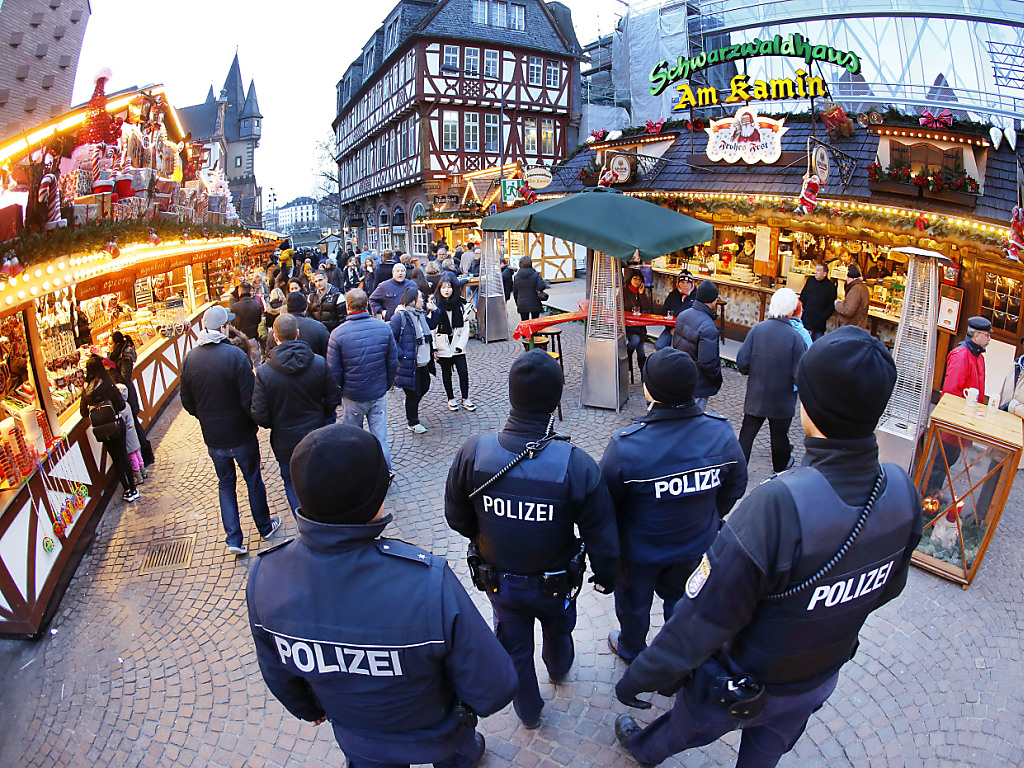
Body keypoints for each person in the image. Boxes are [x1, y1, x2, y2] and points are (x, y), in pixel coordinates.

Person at [613, 326, 923, 768]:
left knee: (684, 728)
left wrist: (638, 680)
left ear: (808, 407)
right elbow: (887, 588)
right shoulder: (901, 491)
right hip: (815, 678)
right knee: (765, 753)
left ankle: (644, 750)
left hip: (740, 681)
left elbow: (702, 620)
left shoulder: (778, 505)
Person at [248, 424, 517, 768]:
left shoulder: (266, 576)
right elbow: (495, 686)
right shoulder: (425, 583)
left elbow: (278, 672)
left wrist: (311, 708)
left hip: (358, 740)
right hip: (438, 734)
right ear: (370, 500)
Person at [444, 350, 620, 729]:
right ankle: (558, 671)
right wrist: (607, 574)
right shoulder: (576, 464)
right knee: (559, 630)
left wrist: (486, 532)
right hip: (555, 584)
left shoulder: (473, 453)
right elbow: (601, 534)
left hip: (499, 582)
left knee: (514, 648)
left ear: (511, 396)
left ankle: (528, 712)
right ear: (556, 400)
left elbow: (456, 516)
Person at [601, 348, 747, 665]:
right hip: (695, 545)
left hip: (639, 553)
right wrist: (707, 517)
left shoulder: (627, 445)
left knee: (633, 606)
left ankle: (631, 649)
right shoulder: (720, 433)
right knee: (681, 604)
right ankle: (674, 656)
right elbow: (735, 486)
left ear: (649, 389)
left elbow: (605, 505)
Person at [180, 305, 281, 556]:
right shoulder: (235, 357)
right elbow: (250, 398)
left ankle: (234, 539)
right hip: (240, 434)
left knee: (225, 485)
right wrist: (255, 420)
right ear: (224, 328)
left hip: (214, 437)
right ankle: (265, 526)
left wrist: (205, 417)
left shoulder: (190, 358)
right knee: (252, 480)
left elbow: (187, 401)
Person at [251, 314, 341, 516]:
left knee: (291, 481)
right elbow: (333, 396)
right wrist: (325, 416)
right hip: (316, 433)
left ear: (275, 338)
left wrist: (276, 422)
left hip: (285, 439)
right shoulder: (317, 363)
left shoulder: (265, 373)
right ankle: (324, 516)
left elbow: (259, 413)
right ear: (298, 334)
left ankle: (303, 520)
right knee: (320, 476)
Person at [736, 288, 808, 474]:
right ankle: (781, 467)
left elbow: (742, 362)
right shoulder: (796, 337)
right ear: (791, 309)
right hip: (782, 398)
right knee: (779, 435)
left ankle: (738, 467)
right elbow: (799, 375)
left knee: (747, 433)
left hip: (757, 394)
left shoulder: (757, 329)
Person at [327, 289, 399, 469]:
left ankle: (357, 475)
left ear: (347, 307)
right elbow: (392, 362)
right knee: (380, 438)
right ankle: (386, 473)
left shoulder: (337, 334)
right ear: (366, 305)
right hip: (377, 393)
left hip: (353, 396)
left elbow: (334, 372)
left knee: (353, 439)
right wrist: (387, 384)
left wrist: (342, 391)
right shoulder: (384, 328)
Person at [925, 316, 991, 495]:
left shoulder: (976, 356)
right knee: (940, 462)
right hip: (954, 420)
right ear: (977, 335)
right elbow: (952, 392)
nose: (989, 338)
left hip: (963, 420)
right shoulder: (963, 355)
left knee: (947, 461)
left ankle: (932, 494)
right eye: (987, 335)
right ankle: (927, 496)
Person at [80, 355, 139, 502]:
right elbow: (121, 405)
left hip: (101, 429)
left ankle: (126, 489)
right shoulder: (107, 383)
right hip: (115, 424)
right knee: (123, 454)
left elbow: (83, 413)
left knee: (115, 458)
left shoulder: (86, 389)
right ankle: (133, 488)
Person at [391, 285, 436, 435]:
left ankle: (411, 404)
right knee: (413, 393)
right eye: (421, 298)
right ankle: (413, 421)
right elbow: (391, 338)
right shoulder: (400, 316)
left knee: (425, 386)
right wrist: (402, 354)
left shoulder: (421, 314)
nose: (423, 301)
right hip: (410, 363)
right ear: (412, 300)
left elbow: (431, 327)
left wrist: (434, 310)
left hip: (424, 361)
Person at [673, 280, 722, 412]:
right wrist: (717, 379)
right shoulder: (708, 327)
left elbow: (675, 346)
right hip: (698, 384)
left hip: (681, 378)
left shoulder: (683, 315)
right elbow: (708, 363)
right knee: (693, 421)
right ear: (713, 301)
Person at [108, 331, 154, 466]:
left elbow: (124, 378)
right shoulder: (117, 354)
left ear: (117, 344)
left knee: (134, 426)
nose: (109, 346)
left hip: (128, 396)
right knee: (133, 426)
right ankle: (141, 457)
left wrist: (110, 368)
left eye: (110, 343)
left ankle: (146, 455)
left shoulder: (125, 356)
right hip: (123, 395)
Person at [432, 274, 475, 412]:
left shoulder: (462, 305)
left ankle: (465, 398)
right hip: (442, 344)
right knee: (446, 373)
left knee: (463, 372)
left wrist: (459, 346)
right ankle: (450, 398)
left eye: (449, 287)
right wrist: (434, 348)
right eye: (443, 287)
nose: (446, 290)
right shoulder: (434, 305)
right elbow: (431, 329)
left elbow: (465, 328)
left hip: (457, 345)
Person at [623, 270, 657, 372]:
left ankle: (643, 373)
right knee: (636, 341)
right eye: (635, 279)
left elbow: (647, 308)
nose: (637, 282)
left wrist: (642, 294)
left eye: (639, 279)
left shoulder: (641, 292)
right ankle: (627, 354)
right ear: (630, 279)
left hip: (639, 327)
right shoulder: (624, 291)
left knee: (641, 349)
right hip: (628, 327)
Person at [115, 382, 146, 486]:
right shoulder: (128, 405)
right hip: (133, 432)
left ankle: (138, 475)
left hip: (128, 434)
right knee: (137, 452)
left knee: (132, 455)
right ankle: (143, 469)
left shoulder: (122, 409)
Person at [656, 271, 694, 350]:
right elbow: (664, 312)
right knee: (659, 345)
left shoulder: (696, 297)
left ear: (691, 284)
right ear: (678, 283)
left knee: (679, 348)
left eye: (688, 282)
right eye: (682, 282)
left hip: (689, 332)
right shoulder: (673, 295)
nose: (685, 285)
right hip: (672, 328)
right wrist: (671, 328)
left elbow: (697, 319)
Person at [799, 262, 837, 341]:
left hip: (819, 324)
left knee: (817, 345)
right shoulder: (810, 280)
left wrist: (823, 318)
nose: (816, 272)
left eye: (819, 270)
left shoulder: (830, 287)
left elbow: (831, 306)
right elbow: (803, 296)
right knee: (802, 342)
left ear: (825, 273)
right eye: (816, 270)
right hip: (806, 319)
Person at [231, 281, 265, 364]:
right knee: (257, 363)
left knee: (244, 364)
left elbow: (233, 323)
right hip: (253, 336)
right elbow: (259, 320)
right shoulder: (257, 304)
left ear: (240, 292)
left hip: (241, 339)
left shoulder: (235, 307)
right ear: (249, 290)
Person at [834, 263, 870, 329]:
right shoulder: (862, 287)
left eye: (848, 277)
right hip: (856, 327)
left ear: (852, 278)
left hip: (850, 328)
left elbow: (848, 310)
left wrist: (837, 304)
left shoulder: (856, 289)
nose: (846, 279)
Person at [512, 256, 548, 322]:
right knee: (535, 323)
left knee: (525, 323)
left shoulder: (516, 277)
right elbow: (542, 286)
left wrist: (517, 303)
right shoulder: (536, 274)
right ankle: (534, 332)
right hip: (535, 302)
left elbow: (515, 292)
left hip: (522, 303)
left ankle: (527, 332)